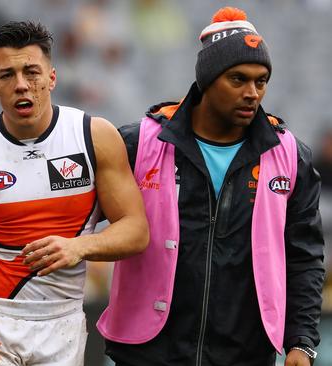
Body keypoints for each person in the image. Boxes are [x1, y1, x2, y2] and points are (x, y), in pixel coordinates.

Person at [95, 7, 324, 366]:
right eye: (238, 79)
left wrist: (302, 342)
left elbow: (304, 259)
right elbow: (75, 215)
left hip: (245, 354)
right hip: (147, 353)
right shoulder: (139, 143)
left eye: (261, 81)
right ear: (207, 79)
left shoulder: (291, 156)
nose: (252, 92)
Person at [0, 21, 149, 366]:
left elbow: (136, 229)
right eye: (7, 75)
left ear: (52, 77)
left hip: (63, 321)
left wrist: (78, 246)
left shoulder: (93, 136)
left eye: (32, 72)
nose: (22, 84)